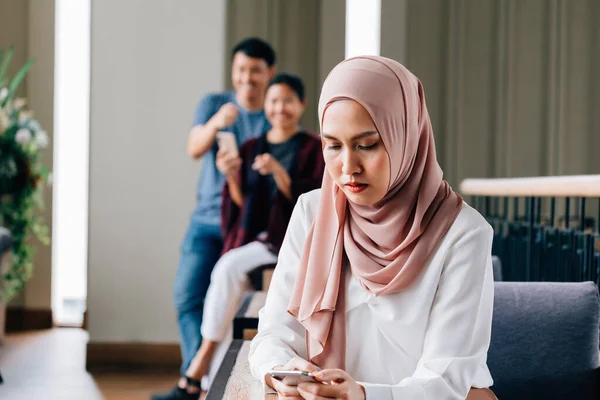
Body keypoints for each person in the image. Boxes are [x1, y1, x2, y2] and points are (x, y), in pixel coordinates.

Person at [248, 56, 498, 400]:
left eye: (366, 145)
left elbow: (447, 378)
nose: (348, 167)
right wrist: (285, 373)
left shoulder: (464, 233)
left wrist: (365, 395)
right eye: (333, 146)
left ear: (405, 137)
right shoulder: (311, 212)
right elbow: (272, 334)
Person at [181, 73, 325, 393]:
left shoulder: (314, 148)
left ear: (301, 104)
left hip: (293, 241)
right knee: (228, 278)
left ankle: (201, 365)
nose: (280, 107)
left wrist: (278, 171)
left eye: (288, 100)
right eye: (274, 101)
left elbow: (314, 202)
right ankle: (210, 376)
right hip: (260, 240)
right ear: (266, 105)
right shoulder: (251, 146)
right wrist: (231, 175)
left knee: (228, 269)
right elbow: (241, 203)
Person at [152, 37, 276, 400]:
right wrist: (216, 124)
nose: (247, 77)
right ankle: (200, 380)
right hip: (206, 220)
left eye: (255, 70)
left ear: (268, 73)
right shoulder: (213, 104)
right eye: (241, 69)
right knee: (187, 297)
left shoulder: (273, 115)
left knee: (228, 302)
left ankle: (196, 382)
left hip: (246, 228)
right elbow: (194, 148)